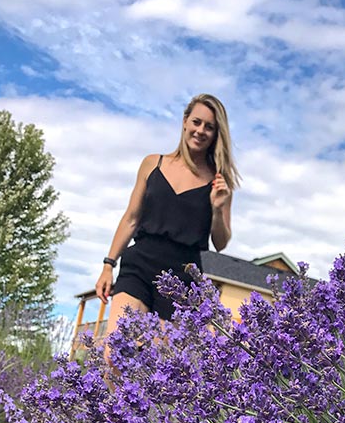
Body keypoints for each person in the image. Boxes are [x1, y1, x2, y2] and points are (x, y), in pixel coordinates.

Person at [95, 94, 239, 337]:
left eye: (209, 127)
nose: (201, 130)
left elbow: (221, 242)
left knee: (161, 366)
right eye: (196, 122)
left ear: (216, 134)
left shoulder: (219, 182)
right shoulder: (152, 164)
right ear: (185, 121)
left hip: (182, 278)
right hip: (138, 265)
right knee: (117, 350)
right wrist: (108, 265)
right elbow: (131, 218)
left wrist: (216, 208)